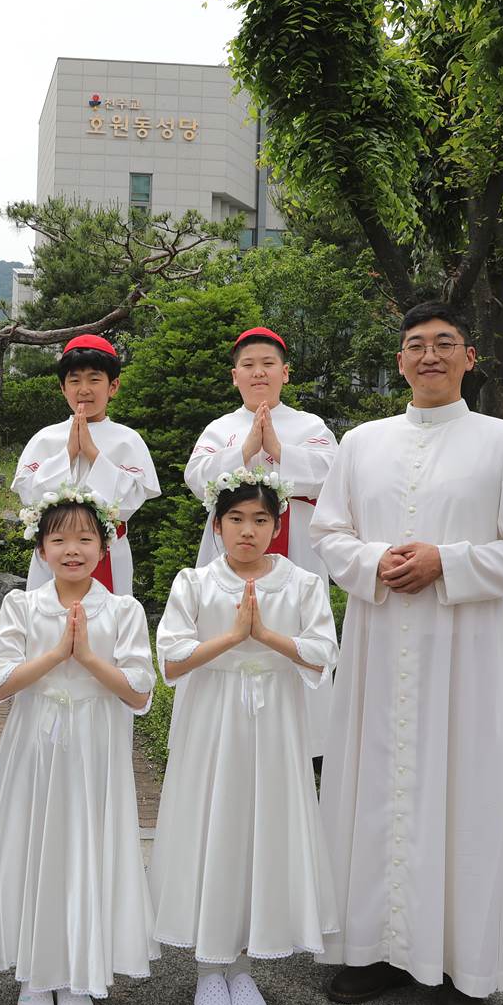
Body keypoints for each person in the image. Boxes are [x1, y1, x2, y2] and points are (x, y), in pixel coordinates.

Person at [311, 301, 503, 1005]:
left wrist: (446, 561)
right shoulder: (362, 443)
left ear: (469, 358)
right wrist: (373, 561)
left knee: (463, 793)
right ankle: (372, 950)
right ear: (400, 361)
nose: (430, 355)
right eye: (416, 344)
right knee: (372, 786)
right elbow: (328, 532)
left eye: (445, 343)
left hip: (462, 649)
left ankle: (464, 967)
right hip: (379, 640)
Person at [0, 489, 156, 1005]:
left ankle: (78, 971)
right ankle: (34, 972)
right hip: (35, 744)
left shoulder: (123, 610)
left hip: (96, 745)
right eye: (59, 539)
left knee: (86, 844)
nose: (72, 549)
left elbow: (139, 691)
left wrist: (86, 656)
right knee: (34, 842)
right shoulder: (22, 605)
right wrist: (54, 655)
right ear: (41, 549)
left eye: (85, 538)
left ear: (104, 547)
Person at [148, 468, 338, 1005]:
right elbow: (172, 660)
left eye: (260, 520)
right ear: (217, 524)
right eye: (235, 519)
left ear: (278, 526)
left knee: (264, 829)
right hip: (212, 719)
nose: (247, 531)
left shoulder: (303, 583)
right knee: (215, 824)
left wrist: (265, 636)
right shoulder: (195, 582)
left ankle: (245, 966)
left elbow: (323, 652)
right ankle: (209, 967)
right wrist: (233, 637)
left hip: (275, 723)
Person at [185, 326, 338, 768]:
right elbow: (197, 479)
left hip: (298, 551)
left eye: (268, 364)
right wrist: (245, 449)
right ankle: (221, 736)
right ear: (235, 376)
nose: (258, 373)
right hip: (229, 556)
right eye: (248, 365)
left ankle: (306, 747)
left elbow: (333, 475)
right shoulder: (220, 429)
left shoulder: (311, 426)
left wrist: (278, 449)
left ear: (285, 373)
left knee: (299, 630)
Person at [9, 335, 159, 595]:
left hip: (109, 553)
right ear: (62, 387)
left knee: (109, 615)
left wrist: (91, 452)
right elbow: (30, 495)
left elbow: (130, 503)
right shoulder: (45, 438)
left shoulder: (127, 440)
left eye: (94, 379)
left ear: (113, 386)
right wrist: (68, 452)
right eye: (75, 380)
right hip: (54, 551)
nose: (84, 389)